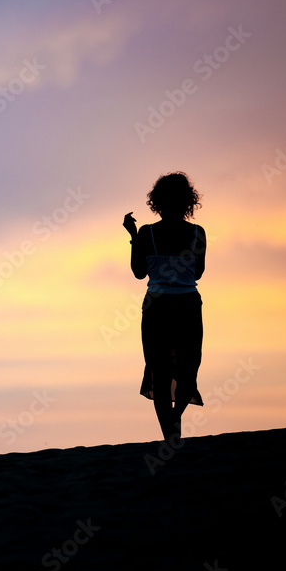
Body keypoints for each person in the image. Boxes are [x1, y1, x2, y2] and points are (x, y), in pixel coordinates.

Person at [123, 172, 206, 442]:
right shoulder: (197, 233)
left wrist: (134, 237)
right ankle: (174, 428)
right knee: (188, 369)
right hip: (187, 306)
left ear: (157, 202)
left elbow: (138, 272)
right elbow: (199, 273)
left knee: (159, 373)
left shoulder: (147, 233)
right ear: (188, 202)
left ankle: (170, 435)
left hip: (157, 307)